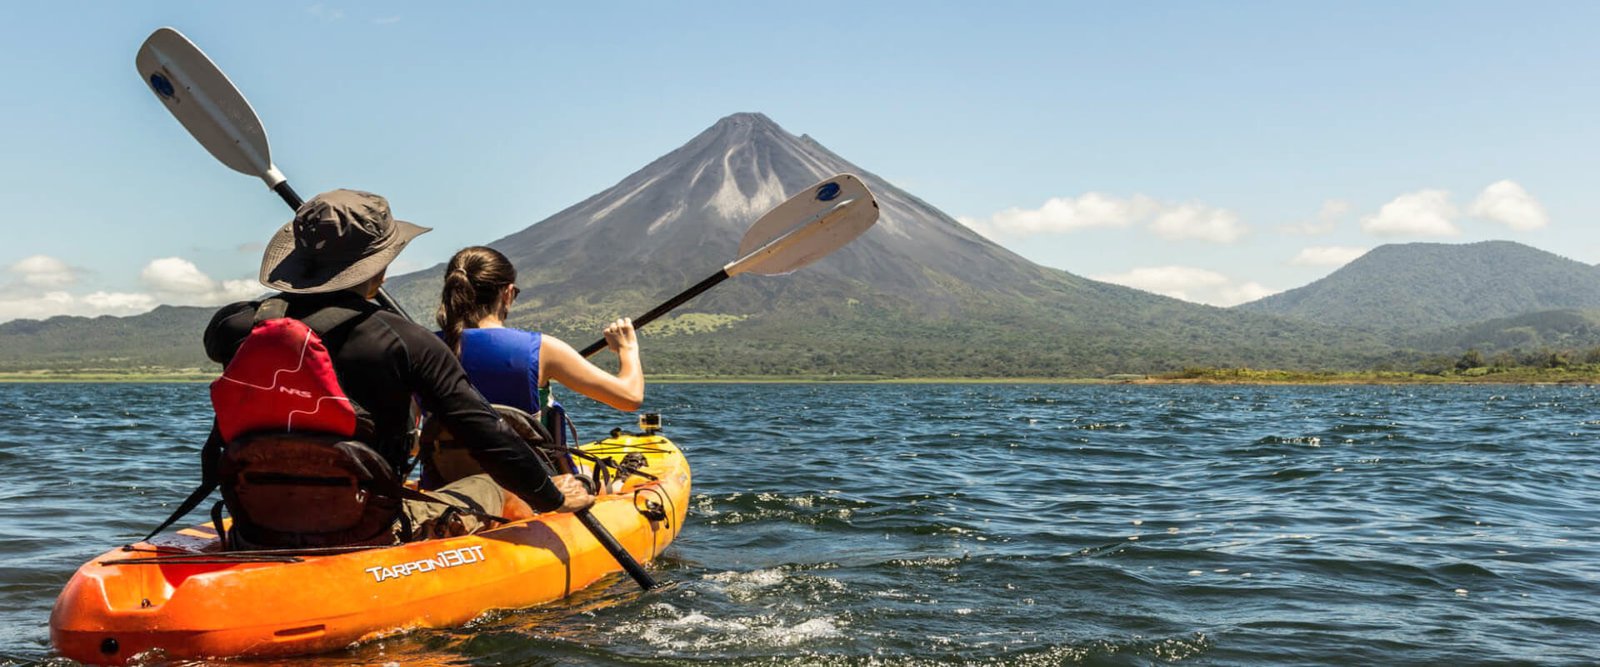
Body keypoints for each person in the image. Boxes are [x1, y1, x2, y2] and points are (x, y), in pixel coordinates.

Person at [200, 189, 594, 546]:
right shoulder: (407, 342)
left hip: (257, 517)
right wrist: (552, 494)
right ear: (381, 269)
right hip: (365, 524)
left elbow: (244, 334)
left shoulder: (235, 326)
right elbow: (489, 438)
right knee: (491, 483)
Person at [423, 246, 642, 486]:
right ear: (507, 293)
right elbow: (629, 397)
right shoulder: (541, 349)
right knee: (607, 478)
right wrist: (627, 349)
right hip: (529, 494)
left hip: (445, 488)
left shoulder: (420, 348)